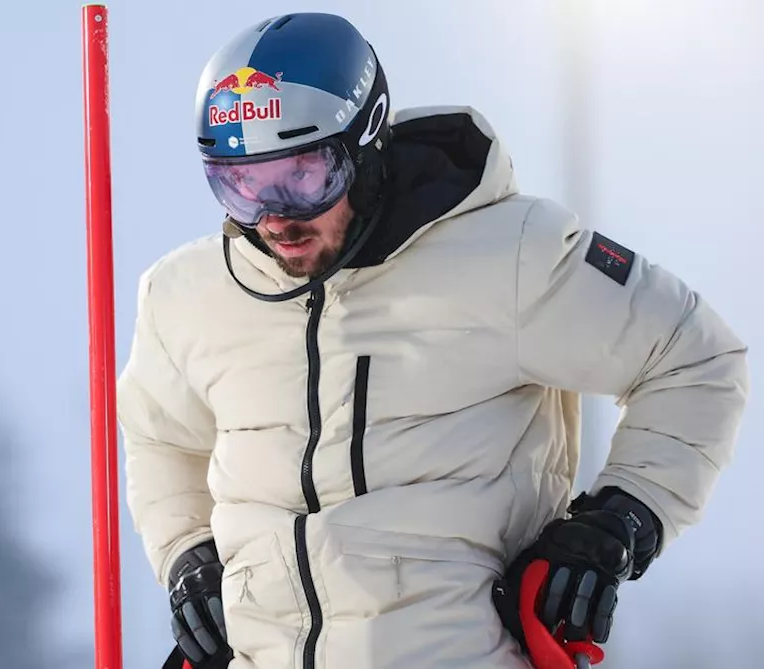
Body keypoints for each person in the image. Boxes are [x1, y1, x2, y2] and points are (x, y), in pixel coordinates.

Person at [116, 11, 749, 669]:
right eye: (241, 183)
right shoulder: (187, 295)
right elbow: (161, 436)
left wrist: (622, 519)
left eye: (303, 175)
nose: (275, 216)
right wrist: (187, 552)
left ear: (364, 143)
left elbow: (694, 356)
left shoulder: (506, 256)